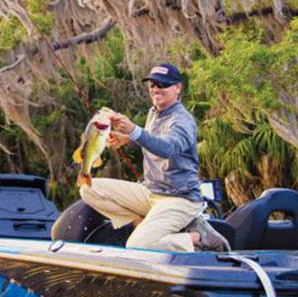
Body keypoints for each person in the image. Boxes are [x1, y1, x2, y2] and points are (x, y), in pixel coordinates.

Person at [79, 62, 229, 252]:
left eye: (162, 85)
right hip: (150, 192)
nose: (156, 89)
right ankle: (141, 225)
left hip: (179, 199)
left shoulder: (182, 120)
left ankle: (198, 238)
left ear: (177, 88)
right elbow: (154, 139)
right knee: (89, 189)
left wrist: (134, 131)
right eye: (152, 85)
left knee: (138, 246)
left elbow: (170, 148)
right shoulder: (154, 112)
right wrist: (128, 139)